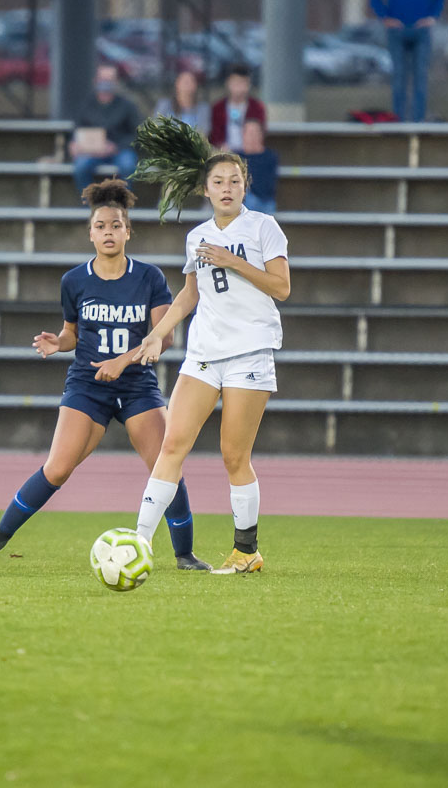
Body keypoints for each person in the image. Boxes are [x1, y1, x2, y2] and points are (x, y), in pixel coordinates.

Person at [0, 179, 209, 571]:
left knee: (167, 464)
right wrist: (57, 343)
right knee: (59, 466)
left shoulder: (149, 278)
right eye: (101, 226)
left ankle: (184, 553)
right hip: (87, 384)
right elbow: (72, 334)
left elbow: (162, 339)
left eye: (116, 225)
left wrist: (123, 361)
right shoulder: (74, 281)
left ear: (128, 231)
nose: (109, 232)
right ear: (90, 234)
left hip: (137, 386)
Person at [129, 117, 291, 574]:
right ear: (205, 189)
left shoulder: (263, 228)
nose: (226, 188)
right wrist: (158, 333)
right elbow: (189, 294)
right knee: (172, 445)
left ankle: (246, 550)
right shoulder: (196, 236)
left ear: (245, 186)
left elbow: (282, 288)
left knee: (233, 455)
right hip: (203, 354)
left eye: (234, 181)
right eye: (218, 181)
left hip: (249, 354)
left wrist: (233, 262)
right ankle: (138, 544)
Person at [371, 0, 444, 122]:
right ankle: (398, 121)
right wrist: (385, 17)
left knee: (420, 77)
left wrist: (433, 16)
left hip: (421, 32)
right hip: (396, 32)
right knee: (399, 77)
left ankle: (419, 120)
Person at [70, 65, 142, 197]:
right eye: (102, 79)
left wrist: (115, 147)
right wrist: (75, 144)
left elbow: (137, 135)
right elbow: (77, 130)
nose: (105, 83)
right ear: (95, 81)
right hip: (91, 151)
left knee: (128, 167)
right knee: (81, 166)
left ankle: (122, 205)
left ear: (116, 82)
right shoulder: (86, 105)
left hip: (120, 150)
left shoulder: (128, 106)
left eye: (110, 80)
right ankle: (90, 205)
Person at [208, 64, 266, 151]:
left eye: (242, 82)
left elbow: (260, 135)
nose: (238, 87)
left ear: (248, 85)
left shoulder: (257, 108)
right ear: (228, 83)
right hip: (224, 154)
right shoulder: (217, 108)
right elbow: (214, 136)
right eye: (235, 82)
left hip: (249, 153)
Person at [236, 119, 279, 215]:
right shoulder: (236, 157)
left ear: (261, 135)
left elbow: (267, 185)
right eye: (249, 133)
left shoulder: (270, 157)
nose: (252, 137)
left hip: (265, 201)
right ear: (243, 135)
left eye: (256, 133)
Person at [152, 71, 211, 140]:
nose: (187, 84)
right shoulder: (164, 104)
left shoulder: (204, 108)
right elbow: (156, 128)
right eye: (184, 81)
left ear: (196, 85)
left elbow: (203, 132)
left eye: (191, 81)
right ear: (177, 84)